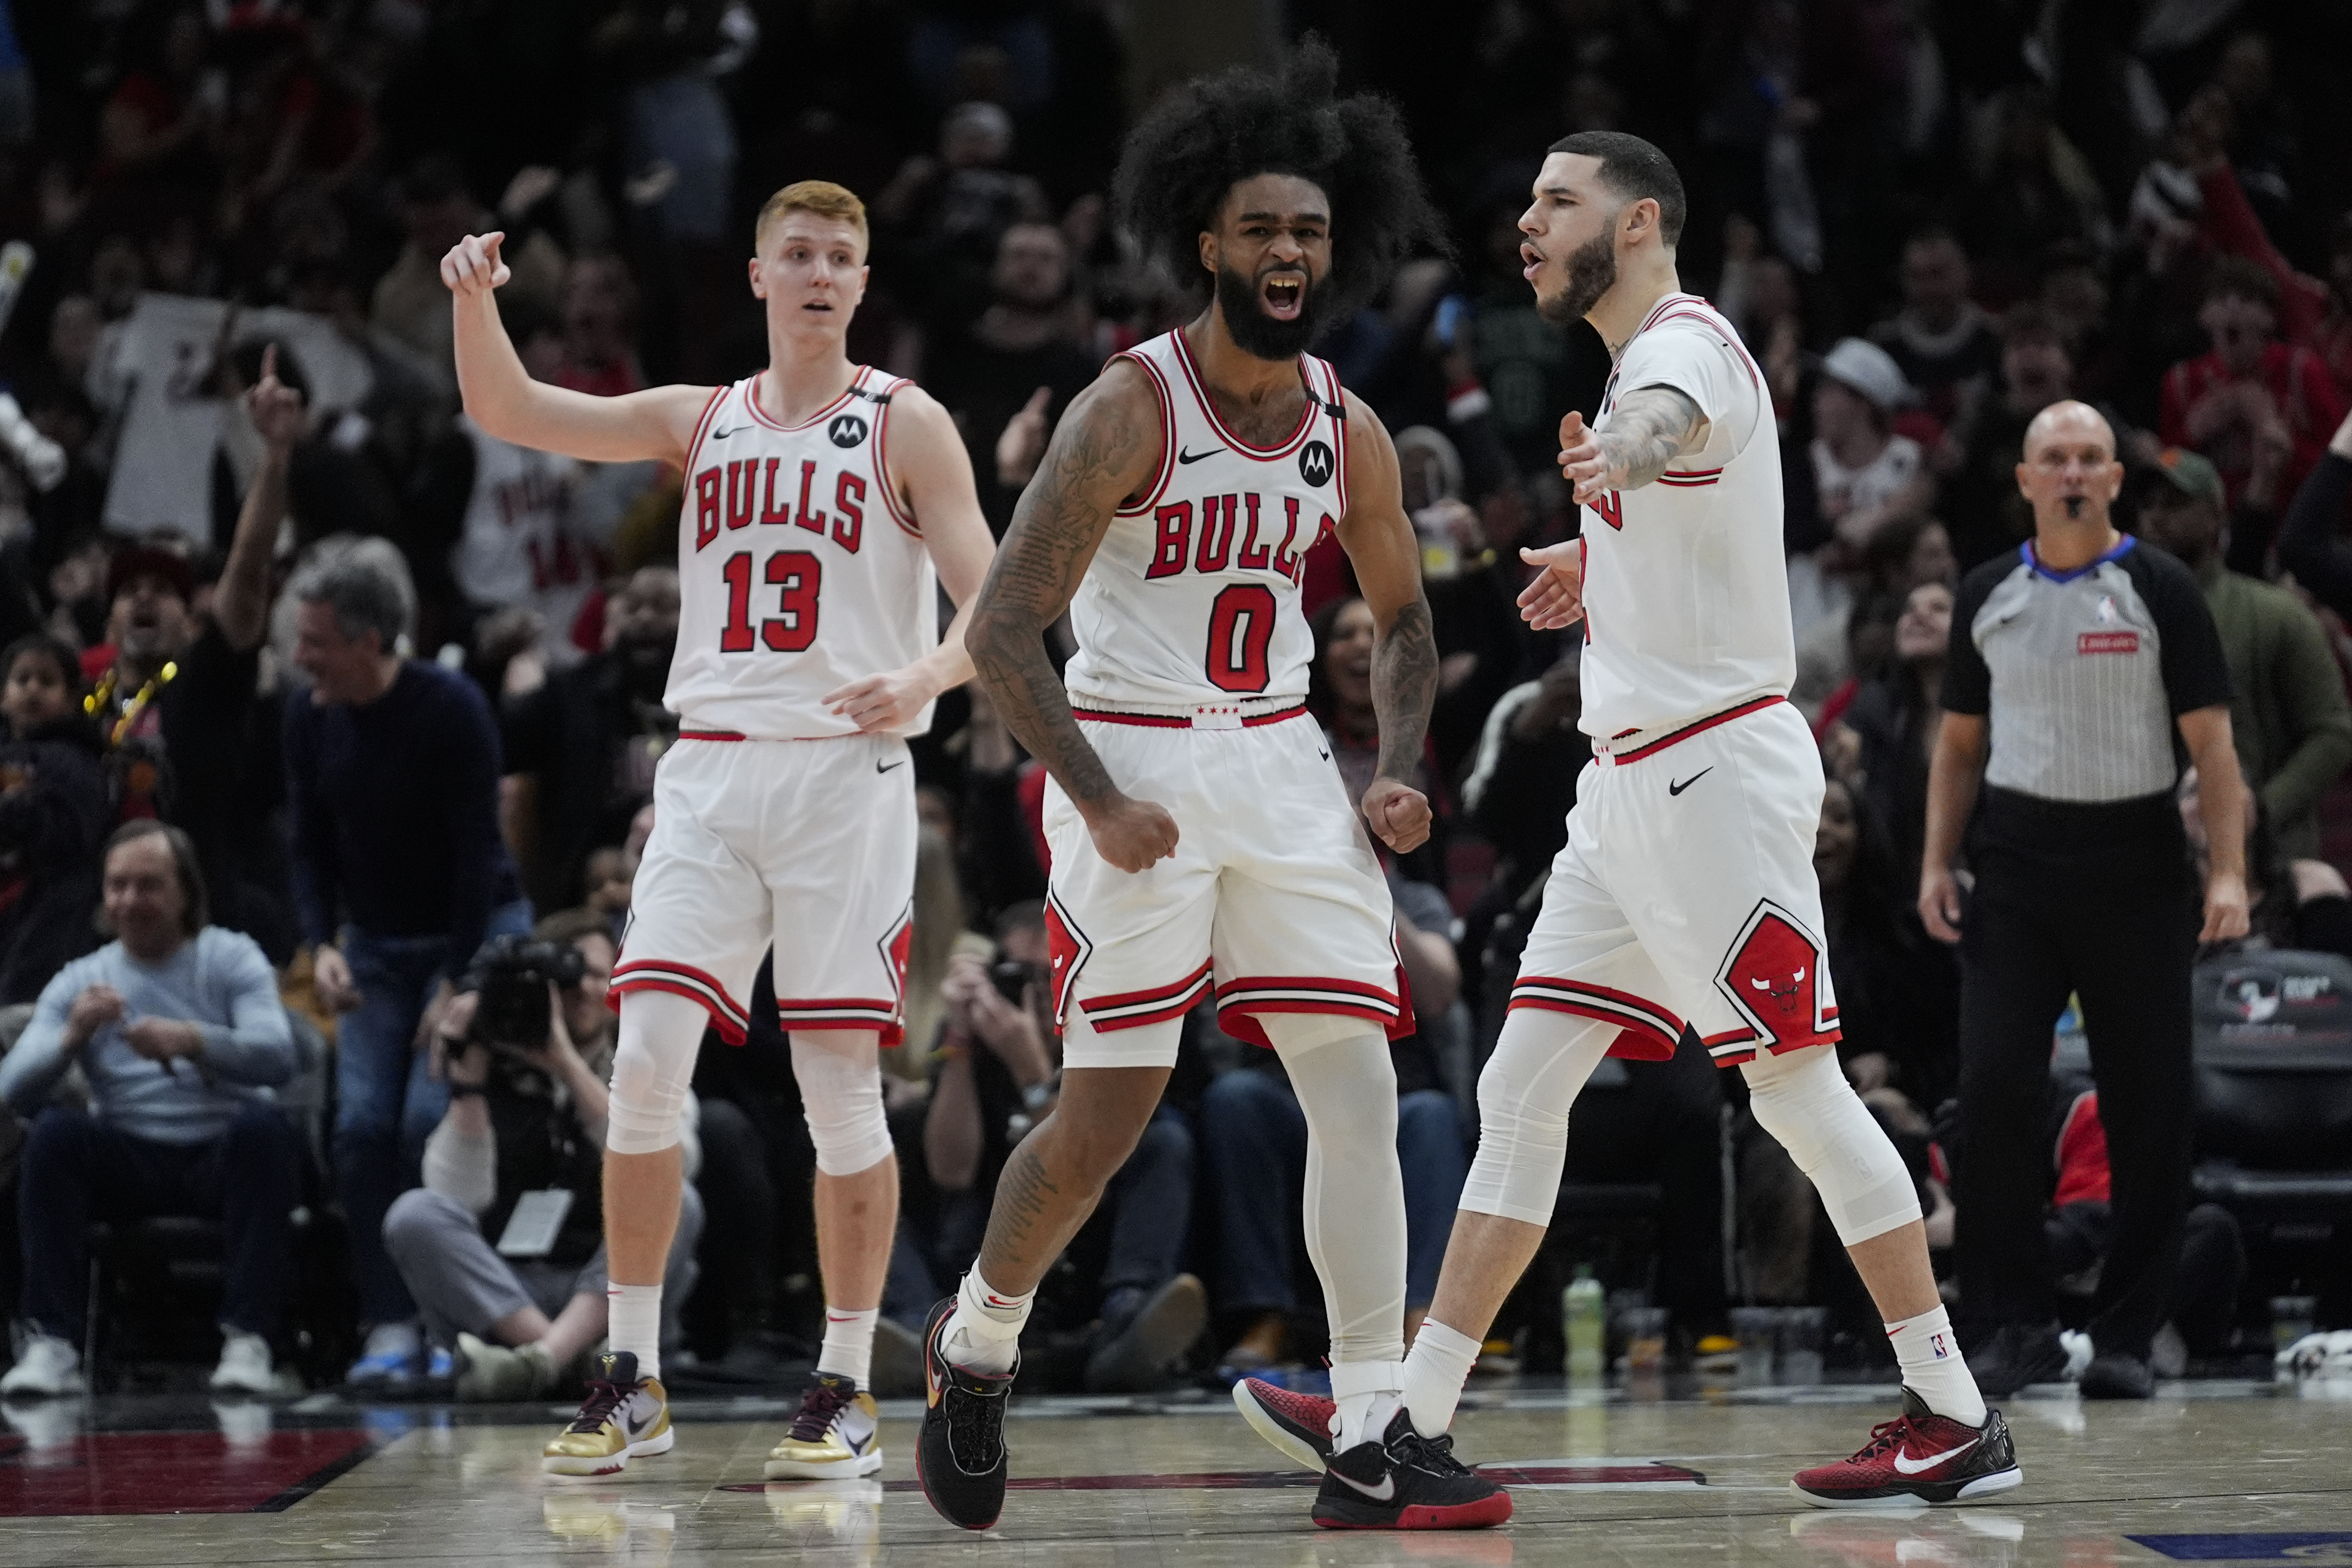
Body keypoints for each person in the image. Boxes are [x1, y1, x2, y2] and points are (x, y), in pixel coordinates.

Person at [1340, 131, 2017, 1512]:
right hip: (1626, 791)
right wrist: (1599, 561)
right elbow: (1674, 493)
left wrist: (1613, 471)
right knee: (1520, 1089)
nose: (1525, 223)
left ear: (1637, 220)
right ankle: (1410, 1422)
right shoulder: (1632, 365)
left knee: (1793, 1087)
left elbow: (1661, 430)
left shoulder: (1681, 349)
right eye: (1523, 201)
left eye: (1555, 201)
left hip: (1711, 782)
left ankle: (1951, 1407)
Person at [919, 44, 1507, 1534]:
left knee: (1360, 1083)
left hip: (1282, 758)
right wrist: (1100, 800)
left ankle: (1372, 1422)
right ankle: (977, 1337)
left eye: (1309, 230)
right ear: (1206, 241)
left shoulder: (1345, 424)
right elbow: (1001, 629)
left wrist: (1394, 767)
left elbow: (1412, 616)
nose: (1288, 253)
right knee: (1107, 1121)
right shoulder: (1129, 407)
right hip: (1129, 751)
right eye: (1261, 229)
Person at [440, 177, 995, 1478]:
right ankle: (627, 1372)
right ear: (757, 277)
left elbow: (1004, 600)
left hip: (845, 772)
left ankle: (847, 1385)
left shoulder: (906, 425)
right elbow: (509, 408)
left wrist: (922, 678)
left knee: (838, 1092)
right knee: (642, 1069)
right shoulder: (700, 420)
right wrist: (473, 302)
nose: (816, 271)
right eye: (794, 252)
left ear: (862, 284)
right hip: (705, 770)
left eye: (839, 256)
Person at [1921, 400, 2248, 1401]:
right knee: (1993, 1090)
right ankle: (2009, 1325)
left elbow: (2214, 746)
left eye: (2090, 459)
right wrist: (1937, 862)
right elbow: (1960, 747)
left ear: (2115, 479)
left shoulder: (2161, 588)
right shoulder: (1986, 593)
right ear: (2025, 479)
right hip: (2016, 867)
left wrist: (2229, 871)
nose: (2071, 473)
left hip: (2138, 864)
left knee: (2149, 1105)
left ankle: (2125, 1332)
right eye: (2054, 458)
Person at [284, 546, 536, 1384]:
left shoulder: (451, 708)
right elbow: (308, 848)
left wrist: (460, 980)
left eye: (315, 640)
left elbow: (475, 851)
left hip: (474, 928)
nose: (300, 657)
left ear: (367, 638)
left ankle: (448, 1326)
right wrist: (321, 943)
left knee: (426, 1120)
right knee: (358, 1129)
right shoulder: (308, 715)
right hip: (376, 944)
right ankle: (385, 1321)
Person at [0, 821, 298, 1397]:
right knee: (55, 1135)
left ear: (185, 892)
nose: (130, 901)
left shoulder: (231, 957)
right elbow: (10, 1089)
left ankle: (247, 1339)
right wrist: (70, 1039)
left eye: (148, 885)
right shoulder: (83, 979)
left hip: (220, 1153)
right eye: (118, 886)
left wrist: (194, 1038)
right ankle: (52, 1344)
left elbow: (279, 1056)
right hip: (130, 1155)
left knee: (267, 1130)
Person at [383, 910, 702, 1403]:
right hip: (506, 1297)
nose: (580, 994)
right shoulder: (488, 1066)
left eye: (595, 976)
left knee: (675, 1194)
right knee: (414, 1214)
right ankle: (562, 1359)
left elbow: (679, 1163)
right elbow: (455, 1200)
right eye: (563, 982)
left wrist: (568, 1067)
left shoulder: (648, 1060)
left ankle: (537, 1365)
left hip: (608, 1296)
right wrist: (469, 1085)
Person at [2132, 447, 2352, 860]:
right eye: (2146, 505)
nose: (2156, 518)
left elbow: (2333, 732)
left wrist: (2262, 809)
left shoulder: (2272, 614)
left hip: (2264, 862)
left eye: (2175, 504)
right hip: (2151, 866)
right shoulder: (2115, 620)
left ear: (2216, 516)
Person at [500, 566, 682, 913]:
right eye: (633, 607)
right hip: (586, 903)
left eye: (662, 607)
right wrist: (501, 668)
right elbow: (500, 747)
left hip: (691, 893)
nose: (644, 617)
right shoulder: (572, 693)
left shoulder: (721, 700)